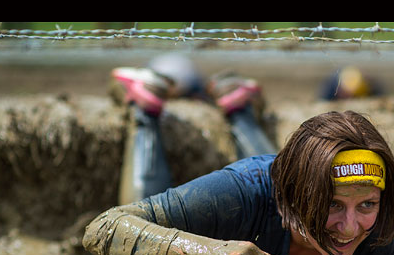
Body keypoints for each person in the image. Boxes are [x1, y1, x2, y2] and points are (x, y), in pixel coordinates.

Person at [82, 110, 394, 255]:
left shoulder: (389, 233)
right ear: (293, 194)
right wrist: (204, 252)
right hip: (242, 198)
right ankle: (144, 115)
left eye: (367, 204)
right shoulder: (241, 193)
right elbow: (105, 228)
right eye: (332, 205)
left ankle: (242, 112)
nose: (351, 228)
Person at [108, 55, 276, 205]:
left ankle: (144, 111)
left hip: (167, 68)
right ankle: (239, 111)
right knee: (279, 213)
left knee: (143, 222)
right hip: (194, 81)